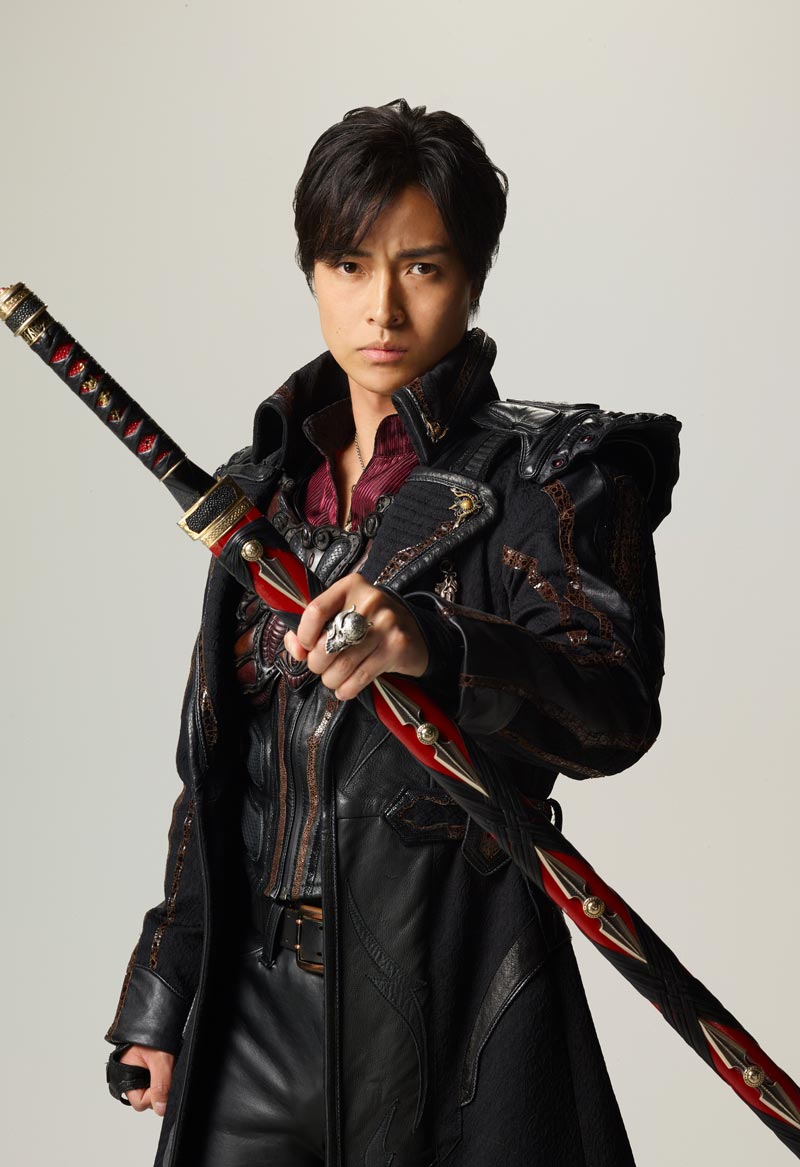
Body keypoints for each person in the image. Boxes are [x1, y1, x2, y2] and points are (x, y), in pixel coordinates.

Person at [105, 99, 680, 1166]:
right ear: (312, 273)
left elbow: (611, 710)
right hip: (249, 1013)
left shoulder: (550, 475)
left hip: (447, 1007)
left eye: (421, 267)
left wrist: (435, 644)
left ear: (471, 276)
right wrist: (165, 990)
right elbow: (219, 775)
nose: (382, 307)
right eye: (348, 265)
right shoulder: (261, 495)